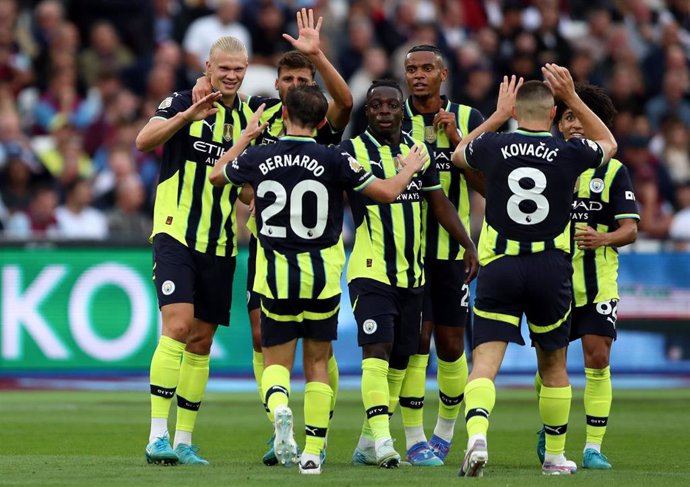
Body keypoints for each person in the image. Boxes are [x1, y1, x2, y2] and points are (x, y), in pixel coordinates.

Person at [209, 84, 429, 475]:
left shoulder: (259, 156)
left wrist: (244, 138)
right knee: (316, 363)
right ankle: (312, 453)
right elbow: (385, 193)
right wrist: (408, 168)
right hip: (322, 278)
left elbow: (215, 177)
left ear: (285, 116)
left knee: (276, 361)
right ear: (322, 120)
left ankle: (279, 409)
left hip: (275, 275)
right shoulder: (334, 158)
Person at [193, 8, 352, 466]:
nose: (297, 86)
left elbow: (344, 102)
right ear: (278, 83)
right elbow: (242, 188)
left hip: (309, 254)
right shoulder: (258, 120)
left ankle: (315, 428)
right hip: (267, 250)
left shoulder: (319, 122)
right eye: (291, 79)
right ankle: (278, 430)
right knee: (264, 338)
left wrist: (318, 56)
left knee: (317, 349)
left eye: (305, 78)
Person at [451, 66, 617, 477]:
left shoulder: (494, 145)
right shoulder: (569, 152)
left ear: (516, 110)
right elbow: (608, 143)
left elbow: (458, 156)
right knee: (554, 367)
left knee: (484, 363)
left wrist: (495, 115)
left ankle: (476, 437)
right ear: (552, 112)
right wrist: (575, 97)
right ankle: (555, 457)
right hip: (549, 269)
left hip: (500, 267)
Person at [342, 80, 479, 468]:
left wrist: (468, 244)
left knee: (402, 360)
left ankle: (369, 442)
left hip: (412, 276)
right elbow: (381, 192)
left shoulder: (416, 150)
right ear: (367, 113)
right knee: (377, 351)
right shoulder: (351, 151)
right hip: (370, 271)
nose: (384, 111)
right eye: (376, 106)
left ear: (402, 111)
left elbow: (440, 204)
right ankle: (387, 442)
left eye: (391, 105)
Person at [135, 35, 256, 466]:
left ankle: (184, 439)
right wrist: (188, 114)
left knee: (202, 342)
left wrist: (254, 187)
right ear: (207, 66)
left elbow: (243, 194)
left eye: (238, 70)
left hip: (221, 242)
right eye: (223, 68)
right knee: (179, 325)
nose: (231, 76)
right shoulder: (182, 100)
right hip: (176, 233)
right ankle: (156, 436)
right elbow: (144, 141)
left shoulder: (247, 118)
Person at [536, 83, 639, 470]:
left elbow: (630, 229)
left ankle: (593, 446)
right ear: (558, 123)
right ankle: (551, 430)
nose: (575, 124)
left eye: (582, 115)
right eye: (568, 116)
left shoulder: (613, 171)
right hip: (552, 281)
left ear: (600, 122)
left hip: (599, 282)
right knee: (551, 364)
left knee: (597, 358)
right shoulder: (544, 165)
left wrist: (603, 237)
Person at [398, 44, 485, 465]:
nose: (418, 75)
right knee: (417, 342)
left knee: (451, 346)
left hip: (452, 254)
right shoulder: (390, 117)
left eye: (426, 69)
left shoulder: (469, 119)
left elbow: (489, 186)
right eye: (412, 69)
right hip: (405, 251)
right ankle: (413, 438)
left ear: (443, 74)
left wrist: (457, 145)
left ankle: (445, 432)